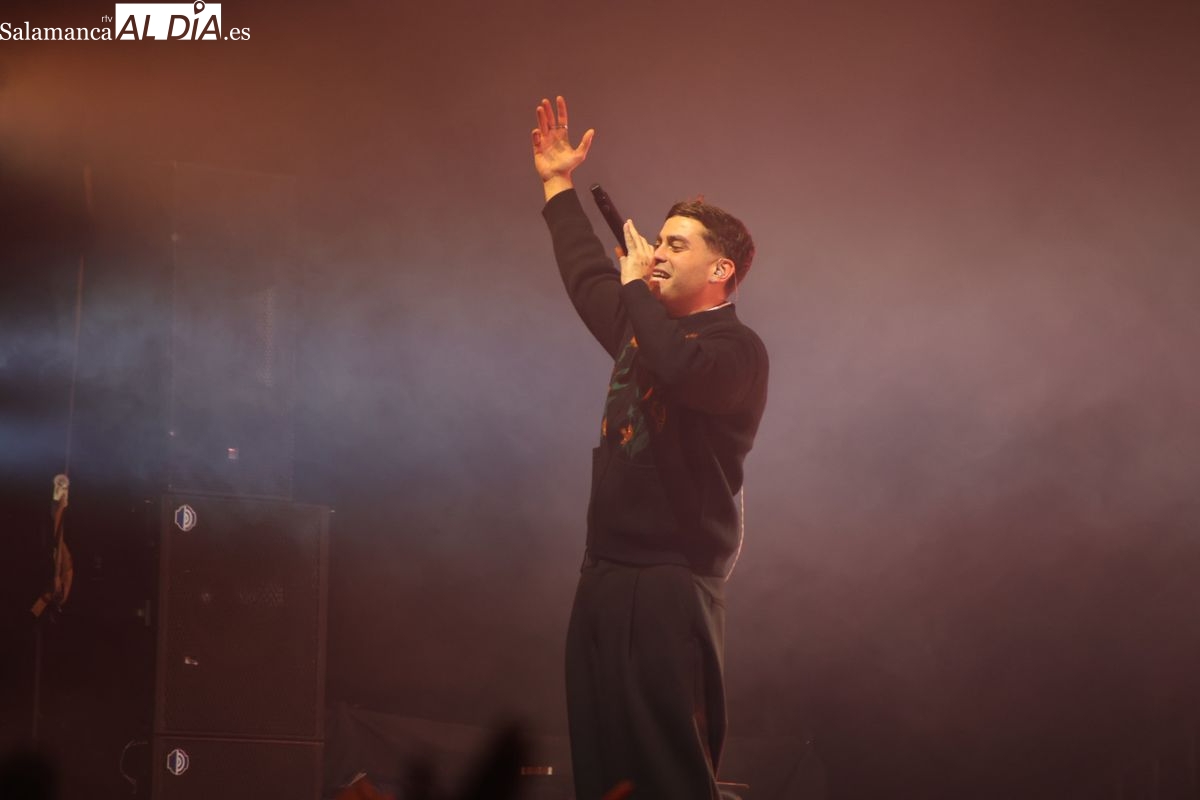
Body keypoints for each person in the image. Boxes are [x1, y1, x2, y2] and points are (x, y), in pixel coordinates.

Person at [530, 96, 769, 800]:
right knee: (607, 768)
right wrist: (558, 185)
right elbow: (588, 277)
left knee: (669, 770)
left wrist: (637, 286)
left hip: (672, 579)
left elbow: (677, 369)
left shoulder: (737, 349)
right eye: (657, 241)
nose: (656, 252)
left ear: (721, 270)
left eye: (676, 245)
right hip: (604, 571)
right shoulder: (644, 325)